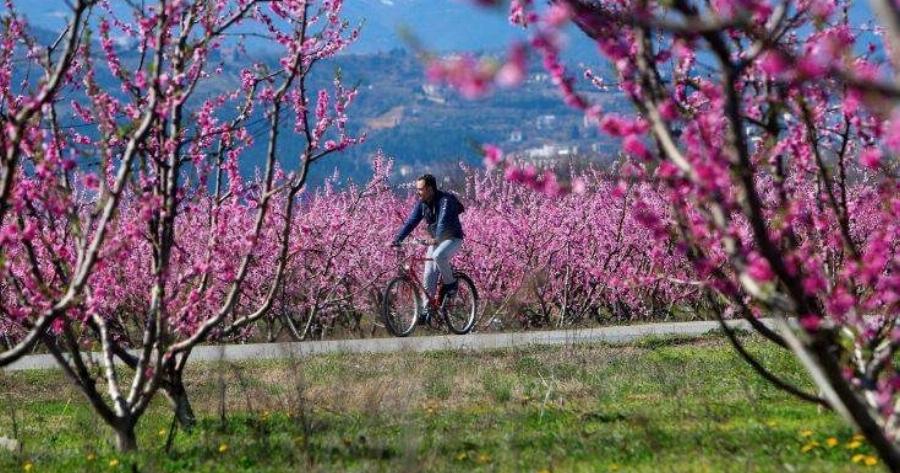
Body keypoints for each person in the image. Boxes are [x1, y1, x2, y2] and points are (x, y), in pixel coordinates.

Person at [391, 174, 465, 311]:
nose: (418, 192)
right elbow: (411, 222)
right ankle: (427, 309)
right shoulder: (422, 204)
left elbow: (442, 222)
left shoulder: (445, 200)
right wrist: (397, 239)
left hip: (452, 238)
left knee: (438, 256)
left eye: (421, 189)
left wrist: (437, 238)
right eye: (417, 189)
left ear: (430, 189)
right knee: (428, 275)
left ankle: (451, 285)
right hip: (436, 241)